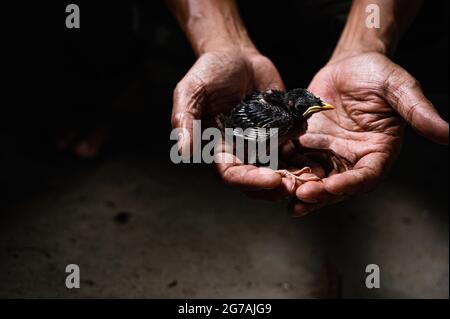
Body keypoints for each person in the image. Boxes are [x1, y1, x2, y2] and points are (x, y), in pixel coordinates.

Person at [167, 0, 449, 216]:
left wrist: (364, 46)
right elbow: (242, 135)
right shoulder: (281, 119)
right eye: (312, 108)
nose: (320, 109)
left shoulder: (296, 122)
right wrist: (220, 41)